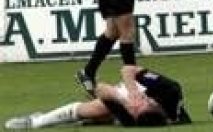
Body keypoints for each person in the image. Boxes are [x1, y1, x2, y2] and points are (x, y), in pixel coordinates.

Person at [4, 65, 191, 129]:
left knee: (101, 111)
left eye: (134, 111)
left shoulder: (134, 119)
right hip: (134, 90)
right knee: (97, 107)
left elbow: (101, 90)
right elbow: (127, 69)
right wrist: (131, 95)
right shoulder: (169, 90)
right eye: (137, 108)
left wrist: (128, 107)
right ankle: (37, 121)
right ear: (150, 102)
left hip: (130, 112)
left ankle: (94, 114)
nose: (134, 108)